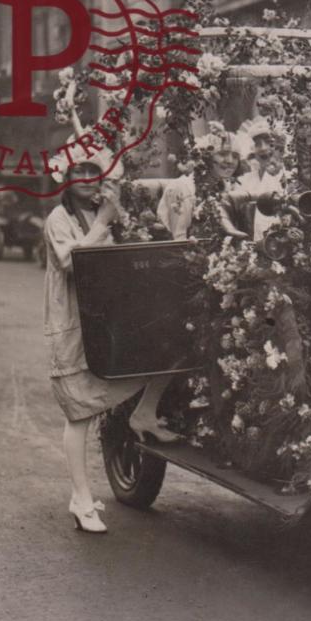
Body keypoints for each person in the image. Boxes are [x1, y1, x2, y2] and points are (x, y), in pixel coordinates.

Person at [45, 159, 180, 533]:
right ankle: (81, 498)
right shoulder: (59, 218)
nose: (89, 183)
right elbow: (71, 262)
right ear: (66, 183)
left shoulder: (106, 210)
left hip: (110, 318)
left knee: (170, 349)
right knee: (80, 411)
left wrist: (120, 218)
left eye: (95, 177)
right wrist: (103, 221)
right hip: (75, 322)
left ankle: (145, 413)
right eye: (80, 178)